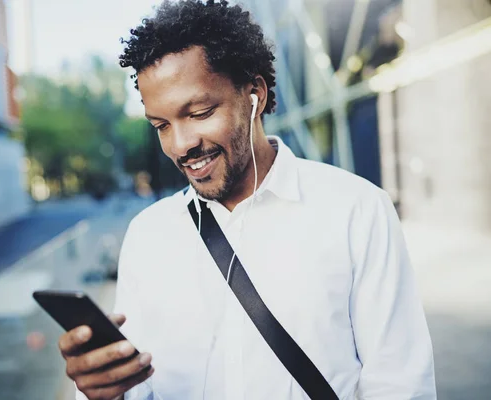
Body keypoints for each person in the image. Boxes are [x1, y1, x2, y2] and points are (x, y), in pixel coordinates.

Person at [59, 1, 436, 399]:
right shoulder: (147, 235)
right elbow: (140, 390)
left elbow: (401, 385)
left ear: (254, 94)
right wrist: (107, 390)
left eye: (200, 112)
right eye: (162, 125)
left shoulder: (357, 211)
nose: (181, 145)